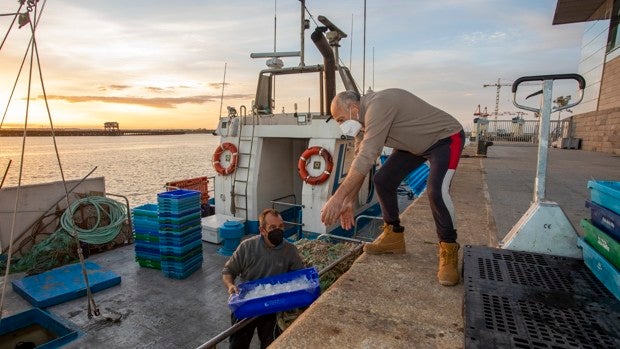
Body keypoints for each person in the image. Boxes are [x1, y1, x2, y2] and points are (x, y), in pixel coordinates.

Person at [320, 89, 465, 286]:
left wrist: (337, 198)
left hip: (444, 138)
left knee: (436, 190)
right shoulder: (361, 125)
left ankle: (449, 247)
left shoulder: (377, 106)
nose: (341, 125)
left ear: (354, 108)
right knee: (383, 180)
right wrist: (349, 201)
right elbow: (360, 162)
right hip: (415, 147)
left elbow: (368, 156)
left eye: (340, 119)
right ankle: (394, 236)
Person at [222, 208, 305, 349]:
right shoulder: (247, 247)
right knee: (238, 344)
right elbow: (228, 271)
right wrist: (230, 286)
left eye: (281, 227)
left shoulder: (290, 250)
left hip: (272, 305)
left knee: (270, 343)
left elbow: (300, 277)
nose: (278, 231)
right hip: (246, 304)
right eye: (272, 227)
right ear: (262, 230)